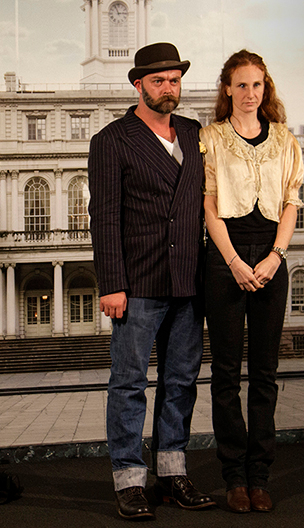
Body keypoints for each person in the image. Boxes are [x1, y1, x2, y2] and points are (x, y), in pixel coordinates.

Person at [88, 42, 214, 521]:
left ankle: (173, 472)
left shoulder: (194, 133)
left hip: (188, 282)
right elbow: (105, 217)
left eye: (175, 79)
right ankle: (129, 479)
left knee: (181, 381)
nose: (169, 88)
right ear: (138, 84)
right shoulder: (112, 139)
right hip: (137, 284)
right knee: (129, 384)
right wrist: (110, 283)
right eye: (159, 80)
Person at [200, 49, 304, 513]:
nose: (249, 93)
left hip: (271, 258)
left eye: (257, 85)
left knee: (264, 374)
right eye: (241, 85)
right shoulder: (211, 138)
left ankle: (259, 477)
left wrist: (275, 257)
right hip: (225, 257)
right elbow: (208, 205)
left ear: (267, 89)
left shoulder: (285, 140)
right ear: (227, 89)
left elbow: (291, 203)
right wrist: (235, 263)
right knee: (225, 375)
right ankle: (234, 478)